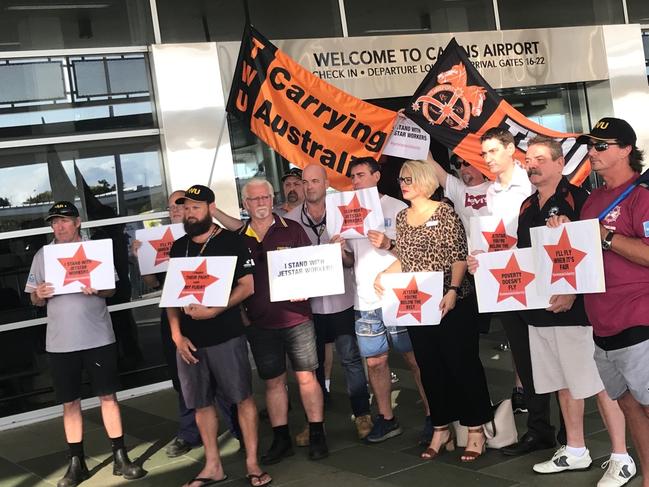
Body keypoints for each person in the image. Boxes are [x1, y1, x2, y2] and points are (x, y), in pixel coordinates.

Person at [503, 136, 634, 486]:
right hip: (540, 308)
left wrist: (573, 293)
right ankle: (575, 448)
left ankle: (621, 456)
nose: (533, 165)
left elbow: (592, 248)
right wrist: (486, 267)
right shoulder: (527, 205)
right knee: (561, 382)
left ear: (560, 163)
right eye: (528, 160)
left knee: (598, 384)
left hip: (575, 311)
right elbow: (525, 254)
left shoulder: (580, 199)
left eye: (541, 159)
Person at [375, 160, 493, 462]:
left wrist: (453, 290)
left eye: (410, 178)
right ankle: (441, 428)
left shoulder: (445, 212)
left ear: (426, 180)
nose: (404, 183)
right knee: (430, 368)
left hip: (453, 303)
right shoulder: (402, 217)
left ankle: (475, 428)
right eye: (401, 178)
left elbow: (458, 257)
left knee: (462, 364)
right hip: (419, 306)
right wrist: (385, 274)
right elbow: (407, 256)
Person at [25, 201, 146, 487]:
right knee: (70, 403)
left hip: (98, 337)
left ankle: (120, 457)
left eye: (64, 220)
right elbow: (34, 297)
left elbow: (111, 289)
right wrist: (39, 293)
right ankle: (76, 462)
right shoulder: (44, 255)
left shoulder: (95, 251)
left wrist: (98, 289)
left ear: (77, 222)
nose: (59, 226)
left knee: (108, 397)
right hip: (60, 342)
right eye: (54, 222)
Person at [466, 128, 564, 456]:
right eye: (485, 154)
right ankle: (539, 429)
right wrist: (479, 256)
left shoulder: (530, 184)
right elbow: (492, 239)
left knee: (553, 358)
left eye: (494, 151)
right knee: (524, 358)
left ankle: (569, 430)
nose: (488, 159)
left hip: (538, 282)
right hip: (506, 284)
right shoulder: (490, 191)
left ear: (511, 150)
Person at [166, 185, 271, 487]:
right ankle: (213, 465)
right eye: (186, 208)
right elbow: (171, 297)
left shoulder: (231, 242)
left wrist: (214, 311)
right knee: (201, 404)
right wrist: (176, 335)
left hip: (226, 335)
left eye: (195, 207)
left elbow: (247, 286)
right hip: (189, 341)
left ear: (211, 208)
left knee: (242, 398)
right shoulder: (179, 247)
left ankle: (252, 462)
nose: (189, 213)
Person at [576, 118, 649, 487]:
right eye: (591, 145)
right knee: (629, 406)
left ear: (625, 149)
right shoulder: (593, 199)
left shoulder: (643, 194)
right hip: (602, 324)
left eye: (601, 146)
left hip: (640, 320)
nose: (593, 152)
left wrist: (606, 237)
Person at [239, 178, 328, 464]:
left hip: (296, 319)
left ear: (272, 198)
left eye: (265, 197)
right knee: (273, 382)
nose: (261, 203)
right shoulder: (239, 238)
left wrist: (307, 289)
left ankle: (317, 434)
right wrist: (242, 313)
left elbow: (314, 269)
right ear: (245, 204)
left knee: (306, 377)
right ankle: (281, 439)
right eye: (254, 199)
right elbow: (233, 282)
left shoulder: (293, 230)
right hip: (260, 323)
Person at [345, 157, 431, 444]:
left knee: (415, 359)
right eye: (353, 177)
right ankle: (387, 418)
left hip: (399, 295)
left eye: (361, 175)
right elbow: (349, 260)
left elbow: (417, 254)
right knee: (375, 363)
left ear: (376, 176)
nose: (356, 181)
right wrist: (338, 251)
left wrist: (389, 244)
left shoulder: (397, 208)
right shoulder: (349, 212)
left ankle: (434, 416)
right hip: (365, 301)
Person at [285, 164, 373, 442]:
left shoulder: (342, 214)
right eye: (305, 182)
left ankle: (362, 415)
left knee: (350, 359)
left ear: (325, 183)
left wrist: (340, 253)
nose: (309, 186)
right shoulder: (290, 220)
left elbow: (351, 261)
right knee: (313, 366)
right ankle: (316, 425)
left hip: (342, 300)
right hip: (309, 306)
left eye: (314, 181)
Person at [132, 190, 203, 458]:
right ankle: (189, 432)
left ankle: (234, 426)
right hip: (173, 312)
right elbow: (152, 283)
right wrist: (141, 257)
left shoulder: (205, 235)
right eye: (172, 206)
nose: (177, 209)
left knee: (218, 370)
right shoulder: (157, 240)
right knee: (181, 375)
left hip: (206, 311)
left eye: (182, 205)